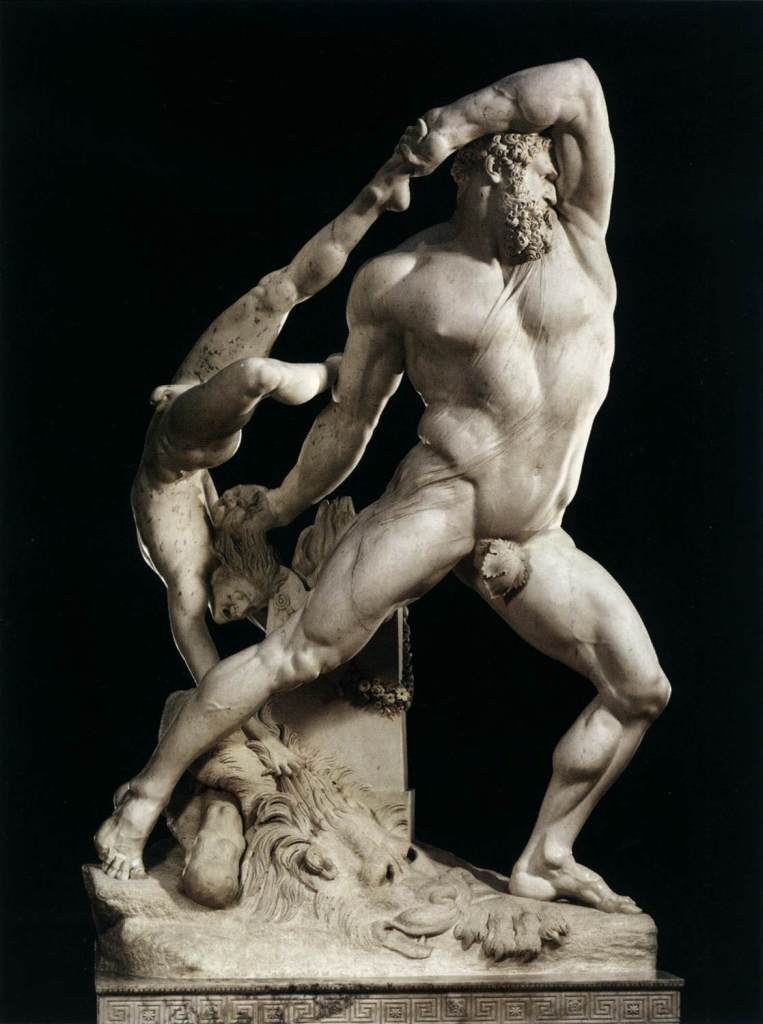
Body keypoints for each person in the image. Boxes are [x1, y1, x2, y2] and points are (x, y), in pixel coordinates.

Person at [97, 59, 671, 914]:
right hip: (440, 502)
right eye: (536, 175)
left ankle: (546, 856)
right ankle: (142, 800)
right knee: (299, 654)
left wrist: (454, 118)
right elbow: (349, 421)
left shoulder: (581, 238)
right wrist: (284, 502)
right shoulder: (398, 282)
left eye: (555, 175)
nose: (553, 188)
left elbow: (581, 85)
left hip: (533, 535)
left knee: (639, 689)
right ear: (483, 177)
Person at [129, 149, 414, 770]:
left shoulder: (185, 581)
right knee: (273, 310)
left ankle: (377, 198)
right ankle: (379, 193)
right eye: (241, 612)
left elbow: (203, 666)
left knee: (274, 311)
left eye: (227, 610)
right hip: (194, 430)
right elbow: (238, 666)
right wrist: (265, 735)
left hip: (177, 436)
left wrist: (256, 735)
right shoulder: (205, 556)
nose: (228, 612)